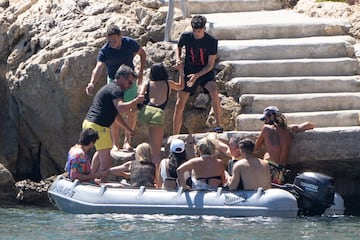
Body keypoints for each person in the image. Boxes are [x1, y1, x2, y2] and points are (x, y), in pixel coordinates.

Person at [85, 24, 146, 151]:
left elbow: (142, 53)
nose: (112, 43)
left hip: (129, 81)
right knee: (114, 113)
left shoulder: (129, 43)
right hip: (114, 81)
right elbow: (99, 67)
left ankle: (127, 142)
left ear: (120, 36)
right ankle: (115, 144)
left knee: (132, 111)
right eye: (109, 41)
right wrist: (92, 83)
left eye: (114, 40)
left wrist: (140, 73)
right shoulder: (105, 50)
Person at [82, 65, 144, 181]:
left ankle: (90, 176)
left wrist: (128, 129)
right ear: (120, 78)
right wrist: (135, 101)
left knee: (101, 151)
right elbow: (120, 108)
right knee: (106, 163)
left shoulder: (109, 88)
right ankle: (102, 185)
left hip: (89, 123)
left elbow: (115, 115)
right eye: (129, 83)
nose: (130, 86)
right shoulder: (117, 89)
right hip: (99, 126)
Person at [173, 15, 223, 135]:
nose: (196, 33)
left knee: (214, 91)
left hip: (205, 70)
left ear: (204, 29)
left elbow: (210, 65)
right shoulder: (186, 36)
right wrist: (178, 59)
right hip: (189, 69)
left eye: (199, 31)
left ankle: (219, 125)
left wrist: (197, 75)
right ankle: (175, 134)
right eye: (195, 30)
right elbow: (178, 47)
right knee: (180, 102)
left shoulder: (211, 41)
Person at [137, 62, 185, 184]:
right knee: (157, 153)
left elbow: (140, 96)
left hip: (147, 112)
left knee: (153, 147)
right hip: (158, 114)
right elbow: (181, 86)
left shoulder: (147, 84)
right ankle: (157, 181)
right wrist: (180, 71)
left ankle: (154, 178)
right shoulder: (168, 83)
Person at [255, 106, 315, 184]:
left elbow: (256, 147)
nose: (264, 122)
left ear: (272, 116)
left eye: (265, 119)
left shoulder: (266, 129)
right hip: (282, 169)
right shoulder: (290, 129)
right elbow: (310, 125)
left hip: (269, 165)